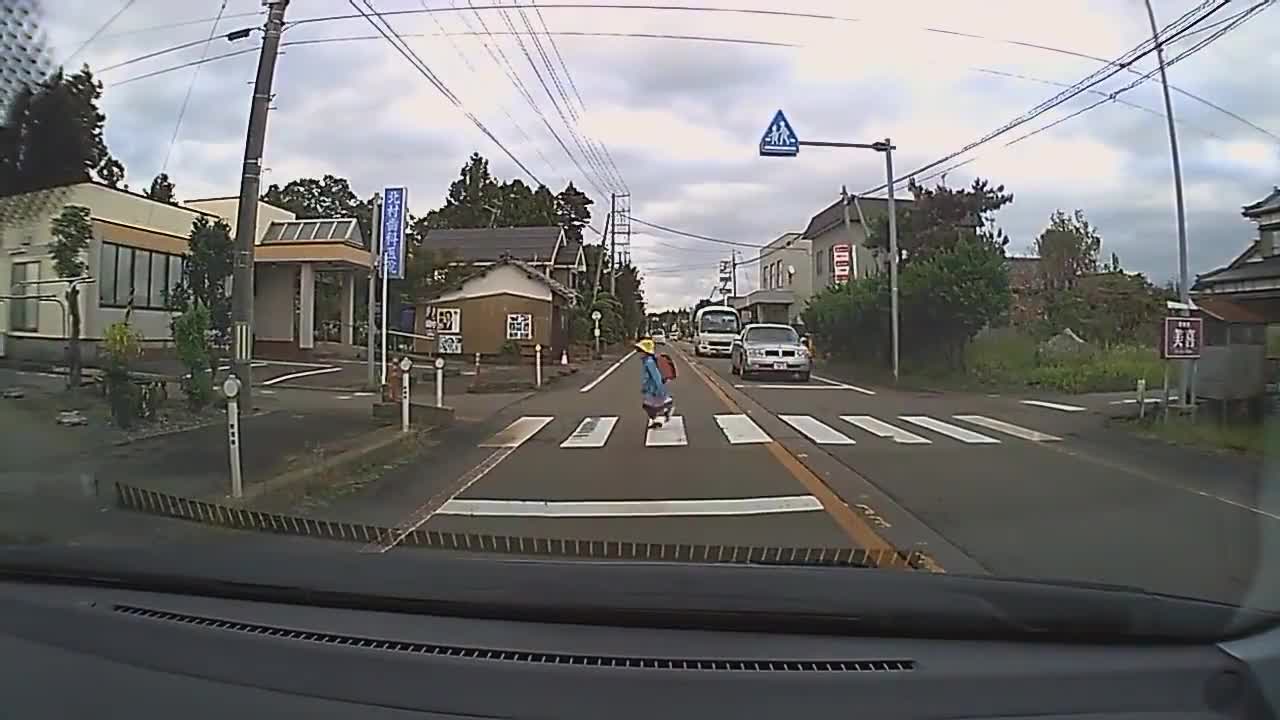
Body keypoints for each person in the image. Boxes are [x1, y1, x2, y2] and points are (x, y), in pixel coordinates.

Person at [636, 337, 673, 429]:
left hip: (654, 389)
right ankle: (657, 418)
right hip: (650, 389)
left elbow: (656, 377)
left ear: (645, 352)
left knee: (649, 406)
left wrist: (660, 389)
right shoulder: (646, 361)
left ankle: (667, 408)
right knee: (651, 406)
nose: (638, 353)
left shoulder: (649, 362)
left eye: (640, 351)